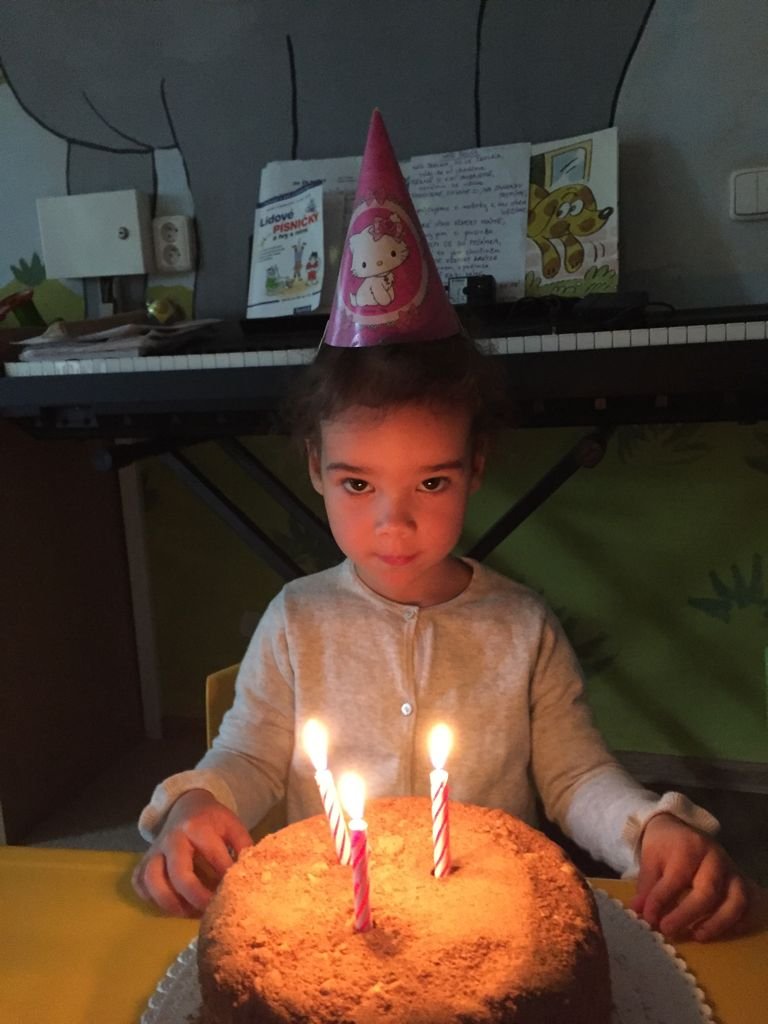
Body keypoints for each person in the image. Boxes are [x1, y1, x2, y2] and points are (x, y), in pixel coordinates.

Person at [133, 112, 751, 942]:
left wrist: (648, 828)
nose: (394, 522)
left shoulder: (522, 628)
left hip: (487, 928)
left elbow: (575, 778)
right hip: (334, 931)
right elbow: (247, 757)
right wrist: (197, 804)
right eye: (358, 483)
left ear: (475, 465)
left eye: (431, 481)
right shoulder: (297, 622)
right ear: (315, 466)